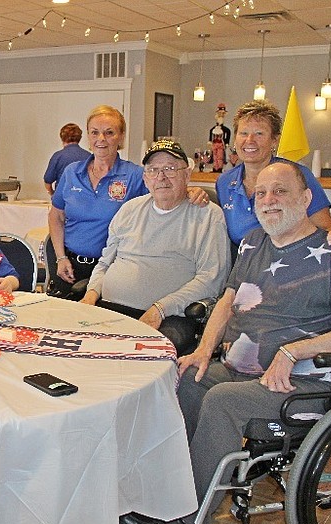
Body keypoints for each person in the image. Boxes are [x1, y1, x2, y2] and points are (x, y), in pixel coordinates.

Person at [118, 161, 331, 524]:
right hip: (242, 368)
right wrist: (204, 351)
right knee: (183, 378)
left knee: (223, 400)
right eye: (261, 193)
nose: (269, 200)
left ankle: (185, 522)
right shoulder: (254, 242)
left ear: (307, 199)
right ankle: (162, 499)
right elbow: (227, 300)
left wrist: (293, 352)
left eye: (281, 192)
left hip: (302, 382)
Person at [80, 141, 230, 355]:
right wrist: (91, 294)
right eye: (153, 170)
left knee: (138, 358)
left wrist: (161, 308)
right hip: (108, 307)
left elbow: (212, 279)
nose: (161, 177)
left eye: (170, 168)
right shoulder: (129, 209)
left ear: (187, 175)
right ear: (145, 178)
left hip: (170, 316)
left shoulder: (207, 215)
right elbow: (105, 262)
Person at [216, 100, 331, 262]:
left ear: (274, 140)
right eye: (243, 133)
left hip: (294, 265)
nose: (250, 140)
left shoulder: (297, 175)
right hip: (245, 268)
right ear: (235, 139)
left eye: (259, 133)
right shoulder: (224, 182)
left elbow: (327, 227)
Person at [47, 105, 148, 299]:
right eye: (95, 133)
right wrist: (61, 257)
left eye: (109, 133)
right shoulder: (71, 172)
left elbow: (164, 195)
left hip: (113, 271)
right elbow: (56, 216)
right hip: (69, 268)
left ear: (121, 137)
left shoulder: (134, 176)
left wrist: (192, 192)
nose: (101, 139)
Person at [43, 123, 90, 196]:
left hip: (63, 199)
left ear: (62, 137)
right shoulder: (88, 156)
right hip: (84, 198)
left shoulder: (58, 156)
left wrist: (53, 194)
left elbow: (47, 182)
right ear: (79, 138)